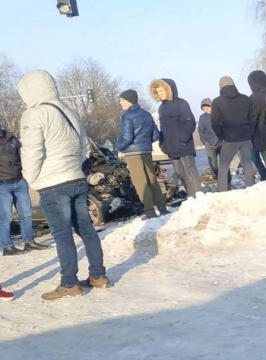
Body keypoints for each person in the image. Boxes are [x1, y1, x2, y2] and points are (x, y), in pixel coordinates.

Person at [18, 70, 109, 300]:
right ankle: (98, 277)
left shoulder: (34, 114)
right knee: (86, 229)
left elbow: (31, 152)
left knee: (62, 235)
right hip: (76, 178)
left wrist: (33, 178)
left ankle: (69, 284)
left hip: (52, 183)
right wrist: (74, 166)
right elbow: (84, 146)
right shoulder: (69, 111)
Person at [117, 90, 169, 220]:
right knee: (152, 179)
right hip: (146, 151)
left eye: (122, 100)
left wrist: (118, 147)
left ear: (129, 100)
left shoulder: (127, 116)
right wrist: (145, 142)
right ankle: (162, 207)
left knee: (141, 182)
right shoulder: (146, 114)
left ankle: (149, 211)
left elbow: (127, 137)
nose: (120, 103)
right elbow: (156, 134)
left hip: (133, 153)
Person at [0, 128, 50, 256]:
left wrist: (24, 177)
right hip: (3, 185)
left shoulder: (11, 138)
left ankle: (29, 241)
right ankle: (7, 246)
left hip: (19, 182)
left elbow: (23, 156)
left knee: (26, 214)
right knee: (6, 217)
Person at [150, 79, 201, 198]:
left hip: (184, 145)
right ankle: (191, 197)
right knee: (180, 174)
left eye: (162, 90)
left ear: (169, 90)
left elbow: (190, 122)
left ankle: (199, 197)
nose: (160, 93)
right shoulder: (161, 108)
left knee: (190, 172)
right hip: (171, 147)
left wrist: (182, 138)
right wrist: (163, 144)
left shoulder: (181, 103)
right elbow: (163, 128)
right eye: (157, 91)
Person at [211, 76, 255, 192]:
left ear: (220, 87)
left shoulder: (217, 101)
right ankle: (250, 188)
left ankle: (222, 190)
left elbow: (214, 122)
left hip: (229, 138)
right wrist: (250, 132)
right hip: (245, 136)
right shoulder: (245, 99)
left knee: (224, 165)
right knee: (247, 163)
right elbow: (252, 118)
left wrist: (221, 136)